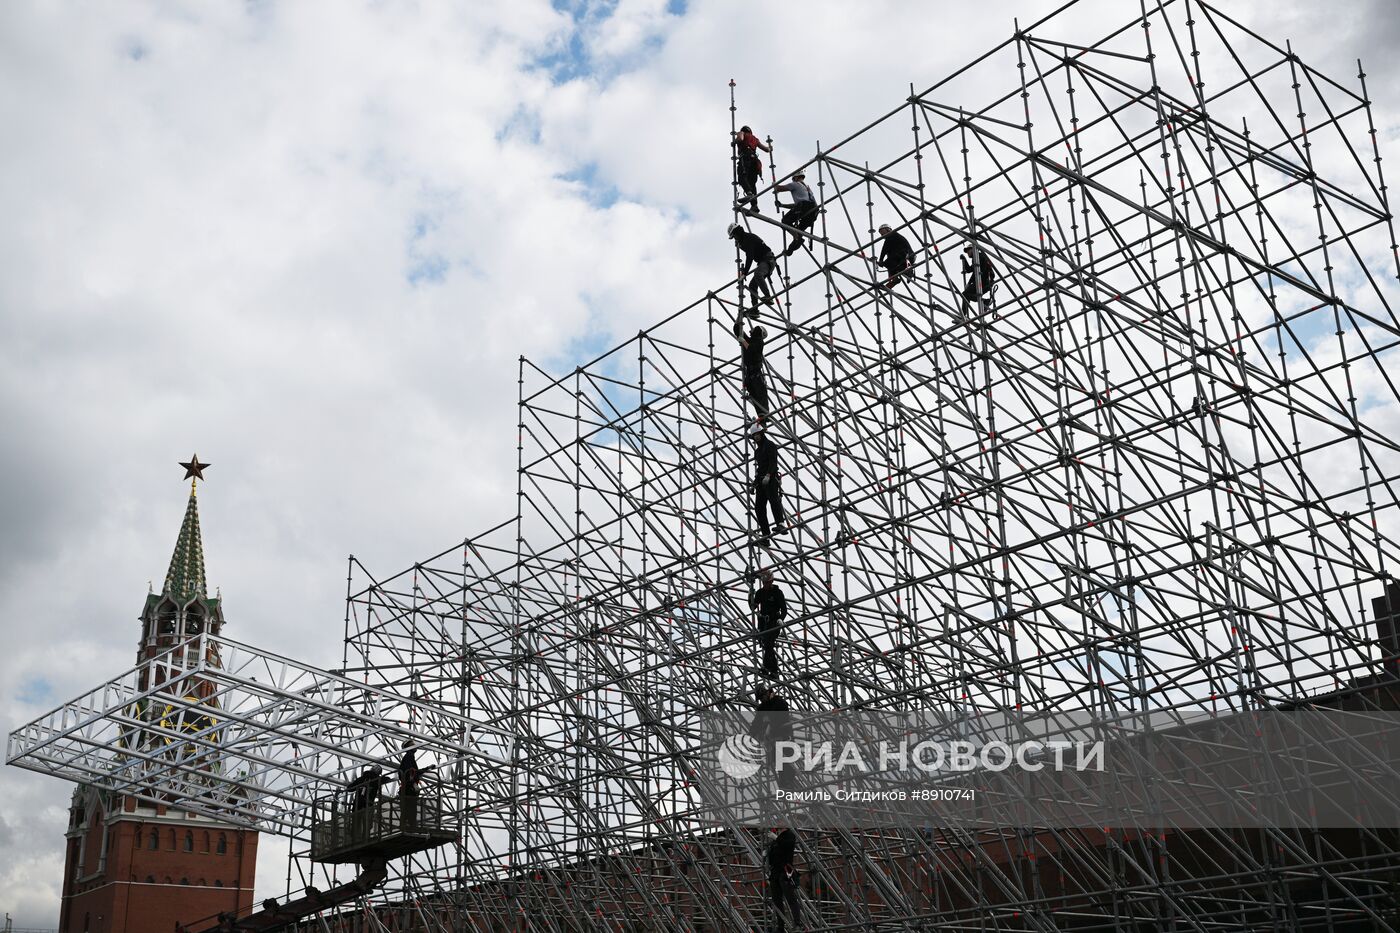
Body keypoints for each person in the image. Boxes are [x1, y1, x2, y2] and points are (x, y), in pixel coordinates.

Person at [750, 685, 796, 790]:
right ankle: (785, 783)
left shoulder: (779, 702)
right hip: (772, 740)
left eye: (762, 697)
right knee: (777, 762)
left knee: (785, 761)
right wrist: (752, 734)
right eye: (760, 699)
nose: (762, 700)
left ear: (767, 693)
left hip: (783, 737)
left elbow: (780, 717)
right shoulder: (763, 707)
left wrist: (770, 724)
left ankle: (788, 782)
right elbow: (756, 723)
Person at [750, 423, 786, 546]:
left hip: (771, 478)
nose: (756, 437)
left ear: (762, 433)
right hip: (761, 480)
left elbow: (773, 462)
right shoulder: (757, 451)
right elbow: (760, 468)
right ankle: (765, 536)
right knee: (759, 508)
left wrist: (769, 475)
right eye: (754, 435)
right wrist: (755, 483)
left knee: (773, 499)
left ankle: (780, 524)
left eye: (757, 434)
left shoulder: (770, 445)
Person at [729, 223, 777, 312]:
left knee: (758, 274)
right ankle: (755, 311)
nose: (735, 239)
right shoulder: (745, 240)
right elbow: (749, 252)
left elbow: (750, 256)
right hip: (763, 262)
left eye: (735, 236)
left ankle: (768, 297)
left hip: (768, 260)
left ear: (737, 232)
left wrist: (745, 273)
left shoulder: (748, 239)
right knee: (752, 286)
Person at [751, 569, 788, 679]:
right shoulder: (760, 593)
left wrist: (781, 619)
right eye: (764, 583)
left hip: (774, 622)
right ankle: (770, 669)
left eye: (768, 583)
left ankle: (769, 668)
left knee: (768, 643)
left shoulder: (777, 593)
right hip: (763, 622)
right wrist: (751, 599)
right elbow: (754, 604)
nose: (766, 585)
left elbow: (784, 609)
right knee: (767, 645)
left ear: (772, 581)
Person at [774, 169, 818, 256]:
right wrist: (782, 205)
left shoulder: (795, 184)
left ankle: (797, 237)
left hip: (804, 207)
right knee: (798, 231)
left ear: (795, 178)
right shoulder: (807, 189)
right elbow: (797, 205)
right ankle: (791, 248)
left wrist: (774, 184)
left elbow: (778, 188)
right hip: (813, 212)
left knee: (785, 221)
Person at [766, 827, 802, 932]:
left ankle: (797, 923)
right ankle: (780, 926)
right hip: (775, 873)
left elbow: (788, 845)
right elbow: (773, 856)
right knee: (777, 901)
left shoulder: (789, 834)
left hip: (786, 871)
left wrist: (776, 838)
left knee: (791, 898)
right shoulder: (776, 839)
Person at [733, 318, 770, 419]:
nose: (751, 330)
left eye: (754, 329)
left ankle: (764, 415)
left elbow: (751, 349)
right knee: (754, 395)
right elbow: (738, 331)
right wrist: (738, 318)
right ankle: (761, 415)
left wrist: (743, 341)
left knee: (760, 394)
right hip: (749, 374)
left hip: (756, 373)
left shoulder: (759, 343)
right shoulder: (750, 341)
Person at [732, 125, 772, 212]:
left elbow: (740, 139)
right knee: (752, 184)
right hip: (755, 161)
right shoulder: (755, 139)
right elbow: (766, 149)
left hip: (746, 157)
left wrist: (734, 142)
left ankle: (749, 194)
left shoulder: (742, 133)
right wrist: (770, 148)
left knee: (742, 177)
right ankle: (754, 205)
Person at [877, 224, 916, 288]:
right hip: (899, 259)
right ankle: (895, 278)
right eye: (881, 234)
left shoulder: (893, 235)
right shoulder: (890, 240)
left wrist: (881, 260)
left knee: (888, 261)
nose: (882, 235)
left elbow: (884, 249)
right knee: (889, 263)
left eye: (883, 233)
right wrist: (881, 261)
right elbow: (886, 249)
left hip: (906, 256)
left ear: (888, 230)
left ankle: (908, 271)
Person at [961, 242, 998, 309]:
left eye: (969, 250)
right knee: (967, 294)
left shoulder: (980, 256)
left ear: (974, 249)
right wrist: (964, 260)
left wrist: (969, 283)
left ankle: (984, 301)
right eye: (967, 251)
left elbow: (978, 272)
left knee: (965, 294)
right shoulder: (975, 258)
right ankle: (985, 302)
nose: (967, 253)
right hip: (983, 282)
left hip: (985, 282)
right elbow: (969, 270)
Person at [397, 740, 420, 829]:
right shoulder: (408, 757)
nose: (414, 746)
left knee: (409, 807)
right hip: (408, 788)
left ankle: (408, 824)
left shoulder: (409, 757)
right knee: (410, 807)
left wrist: (427, 768)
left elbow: (414, 772)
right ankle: (410, 825)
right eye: (412, 745)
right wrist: (412, 782)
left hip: (408, 788)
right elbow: (409, 772)